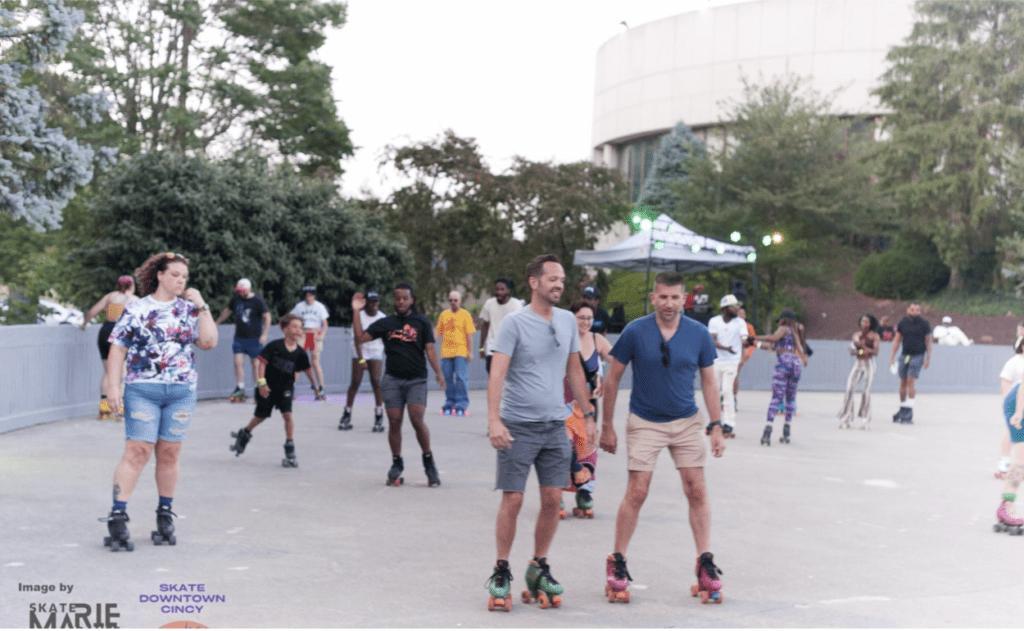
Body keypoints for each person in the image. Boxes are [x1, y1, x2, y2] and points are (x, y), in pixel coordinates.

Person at [598, 271, 726, 606]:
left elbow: (709, 382)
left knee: (695, 488)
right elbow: (612, 380)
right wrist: (607, 426)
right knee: (637, 491)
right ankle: (618, 560)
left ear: (685, 299)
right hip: (645, 421)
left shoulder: (698, 334)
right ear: (653, 298)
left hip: (686, 421)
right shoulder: (635, 331)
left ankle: (704, 561)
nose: (669, 303)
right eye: (663, 297)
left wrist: (716, 425)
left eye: (675, 297)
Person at [484, 254, 595, 612]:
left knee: (552, 501)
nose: (559, 284)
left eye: (562, 279)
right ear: (534, 282)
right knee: (513, 500)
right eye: (552, 279)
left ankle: (538, 565)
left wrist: (590, 415)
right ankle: (501, 569)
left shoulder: (566, 321)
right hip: (517, 426)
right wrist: (494, 420)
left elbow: (575, 372)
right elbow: (497, 373)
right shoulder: (515, 323)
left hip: (554, 426)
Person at [100, 252, 218, 551]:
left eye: (185, 277)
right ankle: (118, 514)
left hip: (181, 391)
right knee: (137, 451)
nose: (181, 280)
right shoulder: (137, 308)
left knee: (169, 453)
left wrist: (201, 304)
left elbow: (208, 342)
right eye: (175, 275)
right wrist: (114, 387)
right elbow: (117, 349)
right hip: (143, 390)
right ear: (161, 276)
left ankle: (165, 512)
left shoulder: (190, 309)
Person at [350, 283, 446, 487]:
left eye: (405, 298)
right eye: (397, 298)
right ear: (394, 301)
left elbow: (429, 348)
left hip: (416, 379)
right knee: (394, 421)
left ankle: (429, 462)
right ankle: (396, 463)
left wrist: (438, 372)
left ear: (411, 300)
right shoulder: (386, 323)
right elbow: (360, 338)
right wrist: (356, 311)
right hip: (392, 379)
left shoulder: (421, 321)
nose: (401, 301)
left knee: (416, 418)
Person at [229, 314, 314, 467]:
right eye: (294, 327)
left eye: (300, 328)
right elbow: (262, 364)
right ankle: (245, 433)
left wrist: (316, 386)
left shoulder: (301, 352)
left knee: (288, 415)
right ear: (284, 328)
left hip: (285, 389)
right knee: (260, 417)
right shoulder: (274, 346)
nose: (298, 330)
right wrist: (262, 384)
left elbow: (307, 369)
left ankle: (290, 446)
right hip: (267, 389)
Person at [560, 299, 614, 519]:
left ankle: (584, 493)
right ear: (572, 318)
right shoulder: (563, 339)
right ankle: (557, 495)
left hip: (588, 408)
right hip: (563, 405)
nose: (585, 321)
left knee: (587, 450)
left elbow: (617, 359)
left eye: (589, 318)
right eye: (581, 317)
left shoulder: (597, 339)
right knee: (562, 450)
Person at [81, 275, 138, 419]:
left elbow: (91, 312)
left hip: (105, 331)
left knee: (108, 371)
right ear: (131, 286)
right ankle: (118, 409)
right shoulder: (135, 300)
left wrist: (83, 325)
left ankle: (104, 410)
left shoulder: (109, 297)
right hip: (121, 333)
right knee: (122, 371)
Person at [753, 309, 808, 446]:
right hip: (796, 365)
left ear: (783, 320)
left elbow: (773, 339)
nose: (778, 324)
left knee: (776, 398)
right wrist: (756, 345)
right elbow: (798, 350)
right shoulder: (794, 333)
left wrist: (754, 337)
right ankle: (786, 431)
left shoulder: (784, 328)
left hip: (783, 364)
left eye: (779, 321)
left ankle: (768, 430)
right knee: (790, 398)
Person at [214, 278, 271, 403]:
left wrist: (265, 334)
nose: (241, 293)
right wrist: (216, 323)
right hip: (239, 338)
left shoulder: (257, 300)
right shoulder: (236, 299)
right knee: (237, 363)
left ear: (249, 289)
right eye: (239, 291)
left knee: (256, 365)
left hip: (255, 338)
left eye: (243, 291)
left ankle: (258, 389)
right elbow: (227, 311)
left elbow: (267, 316)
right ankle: (240, 387)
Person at [339, 291, 386, 432]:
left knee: (376, 381)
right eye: (371, 301)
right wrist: (361, 359)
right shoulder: (359, 316)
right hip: (360, 352)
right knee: (355, 382)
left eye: (376, 301)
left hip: (376, 352)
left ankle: (379, 414)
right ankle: (347, 413)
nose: (374, 304)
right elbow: (356, 339)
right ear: (365, 303)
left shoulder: (382, 317)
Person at [707, 294, 746, 438]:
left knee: (727, 390)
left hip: (732, 362)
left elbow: (744, 339)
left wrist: (746, 343)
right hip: (717, 361)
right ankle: (715, 421)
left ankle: (729, 423)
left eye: (737, 306)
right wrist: (726, 348)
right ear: (725, 308)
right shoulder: (714, 321)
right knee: (714, 391)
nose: (737, 308)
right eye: (733, 306)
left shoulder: (740, 322)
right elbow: (712, 340)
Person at [888, 302, 932, 424]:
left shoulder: (924, 324)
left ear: (920, 311)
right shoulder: (902, 323)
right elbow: (897, 339)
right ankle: (903, 408)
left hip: (918, 356)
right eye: (912, 309)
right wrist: (892, 356)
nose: (915, 312)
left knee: (910, 382)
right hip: (905, 356)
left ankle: (909, 410)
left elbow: (928, 341)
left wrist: (928, 358)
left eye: (917, 310)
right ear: (908, 310)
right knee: (902, 382)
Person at [435, 290, 476, 416]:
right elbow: (438, 332)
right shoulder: (444, 314)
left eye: (455, 300)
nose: (453, 302)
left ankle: (462, 403)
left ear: (460, 301)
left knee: (460, 377)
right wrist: (429, 343)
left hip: (461, 351)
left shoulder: (465, 315)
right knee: (447, 378)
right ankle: (450, 402)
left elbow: (469, 335)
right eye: (451, 300)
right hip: (446, 352)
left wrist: (470, 352)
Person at [996, 355, 1024, 534]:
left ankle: (1005, 506)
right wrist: (1019, 413)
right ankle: (1007, 507)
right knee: (1021, 461)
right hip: (1018, 405)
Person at [837, 314, 880, 429]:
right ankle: (846, 416)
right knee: (850, 388)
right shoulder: (857, 335)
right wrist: (862, 351)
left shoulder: (874, 336)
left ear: (870, 324)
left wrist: (865, 350)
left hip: (869, 364)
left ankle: (865, 418)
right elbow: (853, 351)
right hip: (858, 363)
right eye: (862, 321)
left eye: (866, 321)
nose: (864, 323)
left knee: (865, 390)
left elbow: (875, 352)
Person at [290, 285, 329, 400]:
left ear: (314, 295)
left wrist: (321, 335)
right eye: (307, 295)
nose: (309, 297)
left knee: (315, 362)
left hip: (314, 334)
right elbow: (292, 318)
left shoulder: (319, 307)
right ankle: (291, 388)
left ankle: (321, 388)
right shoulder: (299, 306)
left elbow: (325, 323)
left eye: (311, 295)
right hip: (303, 334)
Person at [996, 329, 1024, 478]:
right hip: (1014, 402)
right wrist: (1010, 408)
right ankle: (1005, 462)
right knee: (1012, 432)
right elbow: (1006, 383)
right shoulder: (1014, 362)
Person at [478, 277, 521, 374]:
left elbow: (521, 328)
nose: (499, 292)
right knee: (493, 378)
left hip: (510, 350)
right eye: (497, 289)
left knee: (509, 381)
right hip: (492, 349)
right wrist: (481, 347)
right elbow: (485, 325)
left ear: (508, 291)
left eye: (502, 289)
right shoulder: (489, 304)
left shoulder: (516, 305)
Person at [733, 307, 757, 411]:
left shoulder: (748, 327)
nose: (741, 315)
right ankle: (725, 397)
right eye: (739, 313)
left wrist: (748, 355)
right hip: (728, 354)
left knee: (734, 375)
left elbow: (753, 342)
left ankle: (733, 399)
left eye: (743, 313)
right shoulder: (731, 325)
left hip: (740, 354)